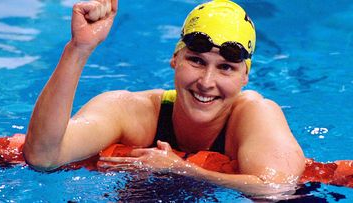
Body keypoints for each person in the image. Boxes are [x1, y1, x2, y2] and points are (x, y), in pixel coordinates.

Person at [23, 0, 306, 195]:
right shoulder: (130, 110)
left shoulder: (256, 113)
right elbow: (43, 158)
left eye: (226, 68)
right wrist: (79, 48)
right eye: (196, 61)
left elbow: (278, 188)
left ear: (245, 77)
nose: (206, 82)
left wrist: (184, 170)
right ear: (175, 59)